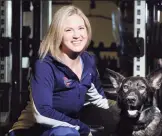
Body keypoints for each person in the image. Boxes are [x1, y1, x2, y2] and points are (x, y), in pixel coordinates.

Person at [8, 5, 117, 136]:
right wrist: (83, 128)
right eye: (69, 30)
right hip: (32, 131)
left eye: (81, 28)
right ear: (58, 34)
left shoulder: (88, 61)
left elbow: (99, 99)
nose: (77, 35)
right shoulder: (45, 65)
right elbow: (42, 114)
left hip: (68, 127)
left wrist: (128, 108)